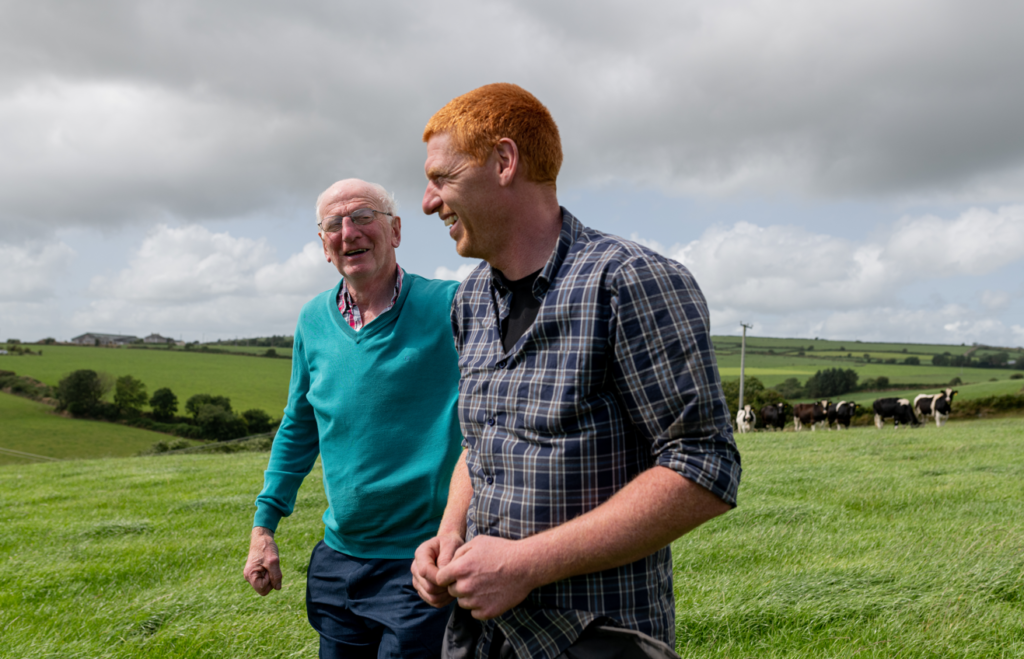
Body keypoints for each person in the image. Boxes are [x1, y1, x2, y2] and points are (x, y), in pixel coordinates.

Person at [411, 84, 742, 658]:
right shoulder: (469, 301)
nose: (427, 201)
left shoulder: (630, 280)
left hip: (594, 638)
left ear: (504, 162)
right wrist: (449, 535)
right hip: (481, 635)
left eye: (442, 178)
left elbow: (705, 466)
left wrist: (524, 564)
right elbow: (481, 437)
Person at [244, 179, 463, 658]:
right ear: (324, 246)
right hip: (337, 561)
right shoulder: (312, 321)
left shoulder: (452, 306)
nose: (349, 232)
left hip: (421, 560)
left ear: (396, 231)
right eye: (333, 225)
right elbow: (299, 426)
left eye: (363, 216)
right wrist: (264, 529)